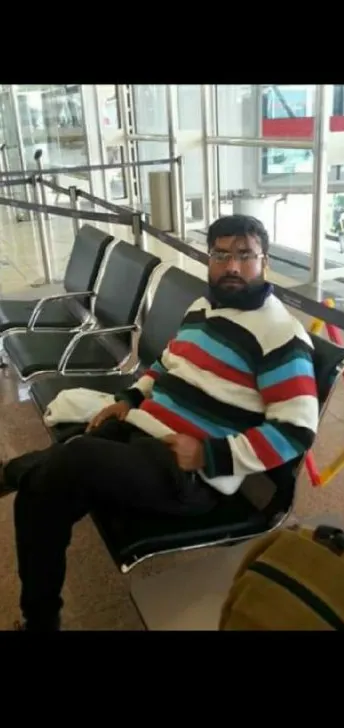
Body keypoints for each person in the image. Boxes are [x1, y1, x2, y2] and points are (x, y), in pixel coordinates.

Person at [0, 214, 319, 631]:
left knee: (74, 457)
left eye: (245, 255)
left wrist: (207, 453)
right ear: (210, 258)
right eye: (222, 254)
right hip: (144, 430)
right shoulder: (203, 308)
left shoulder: (281, 336)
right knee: (40, 494)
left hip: (190, 472)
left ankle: (15, 470)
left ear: (265, 261)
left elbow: (296, 431)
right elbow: (169, 362)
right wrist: (129, 398)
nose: (233, 266)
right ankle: (40, 620)